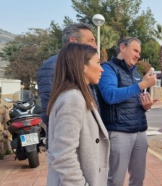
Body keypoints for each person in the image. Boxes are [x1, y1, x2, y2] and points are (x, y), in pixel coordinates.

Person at [97, 37, 157, 186]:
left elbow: (132, 99)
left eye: (139, 52)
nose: (138, 55)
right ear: (122, 48)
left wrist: (145, 106)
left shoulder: (135, 73)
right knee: (116, 179)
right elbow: (110, 96)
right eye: (135, 50)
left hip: (139, 131)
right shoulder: (108, 69)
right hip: (119, 132)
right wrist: (142, 85)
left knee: (138, 178)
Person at [46, 43, 109, 185]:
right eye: (98, 63)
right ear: (82, 66)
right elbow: (63, 155)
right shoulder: (72, 99)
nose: (101, 69)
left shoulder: (74, 95)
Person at [37, 23, 98, 148]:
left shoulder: (84, 66)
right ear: (72, 42)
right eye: (91, 41)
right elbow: (50, 111)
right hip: (72, 143)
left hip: (88, 140)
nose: (95, 46)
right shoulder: (53, 66)